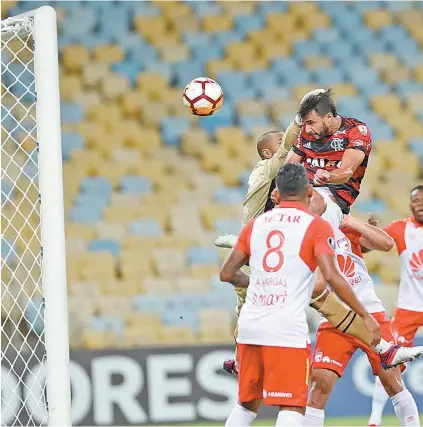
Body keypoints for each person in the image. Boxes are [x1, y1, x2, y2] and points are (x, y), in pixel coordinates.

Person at [220, 163, 380, 427]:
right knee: (292, 407)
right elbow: (331, 277)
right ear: (308, 191)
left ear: (275, 195)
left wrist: (260, 281)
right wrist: (364, 314)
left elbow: (227, 273)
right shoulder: (316, 226)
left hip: (250, 325)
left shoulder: (256, 225)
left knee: (246, 406)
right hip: (286, 328)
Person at [304, 214, 421, 427]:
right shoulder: (304, 231)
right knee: (319, 387)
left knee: (393, 382)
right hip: (333, 320)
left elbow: (385, 243)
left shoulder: (342, 223)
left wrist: (354, 223)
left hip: (371, 314)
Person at [368, 185, 423, 427]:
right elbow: (370, 245)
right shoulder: (402, 228)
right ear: (410, 205)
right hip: (409, 307)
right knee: (390, 361)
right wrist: (370, 230)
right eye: (416, 200)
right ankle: (375, 420)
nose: (420, 204)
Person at [286, 88, 372, 216]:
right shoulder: (306, 130)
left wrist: (328, 176)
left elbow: (347, 171)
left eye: (311, 123)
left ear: (328, 117)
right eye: (305, 123)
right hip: (304, 189)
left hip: (334, 191)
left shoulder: (355, 130)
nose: (307, 129)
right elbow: (290, 166)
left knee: (308, 210)